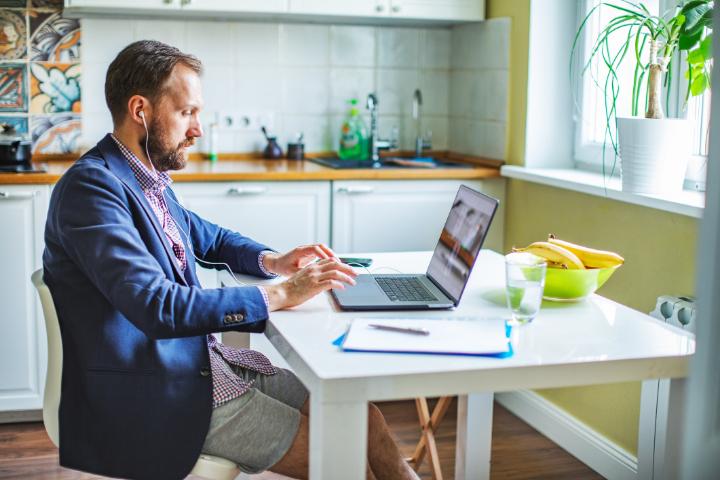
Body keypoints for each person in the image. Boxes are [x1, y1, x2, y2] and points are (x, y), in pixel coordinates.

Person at [43, 40, 420, 480]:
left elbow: (210, 236)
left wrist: (274, 260)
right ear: (140, 110)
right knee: (346, 460)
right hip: (154, 390)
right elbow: (156, 306)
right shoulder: (93, 190)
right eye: (187, 113)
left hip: (194, 364)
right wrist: (281, 293)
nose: (198, 129)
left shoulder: (143, 175)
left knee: (365, 419)